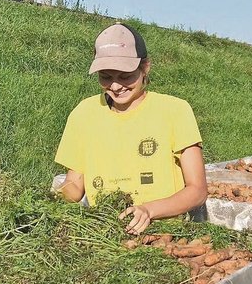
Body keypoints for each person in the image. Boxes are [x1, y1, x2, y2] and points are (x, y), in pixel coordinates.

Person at [54, 22, 208, 235]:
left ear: (145, 68)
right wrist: (43, 197)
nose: (115, 87)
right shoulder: (84, 113)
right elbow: (74, 185)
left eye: (125, 76)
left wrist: (148, 210)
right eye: (105, 77)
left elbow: (197, 190)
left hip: (165, 234)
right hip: (107, 233)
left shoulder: (175, 111)